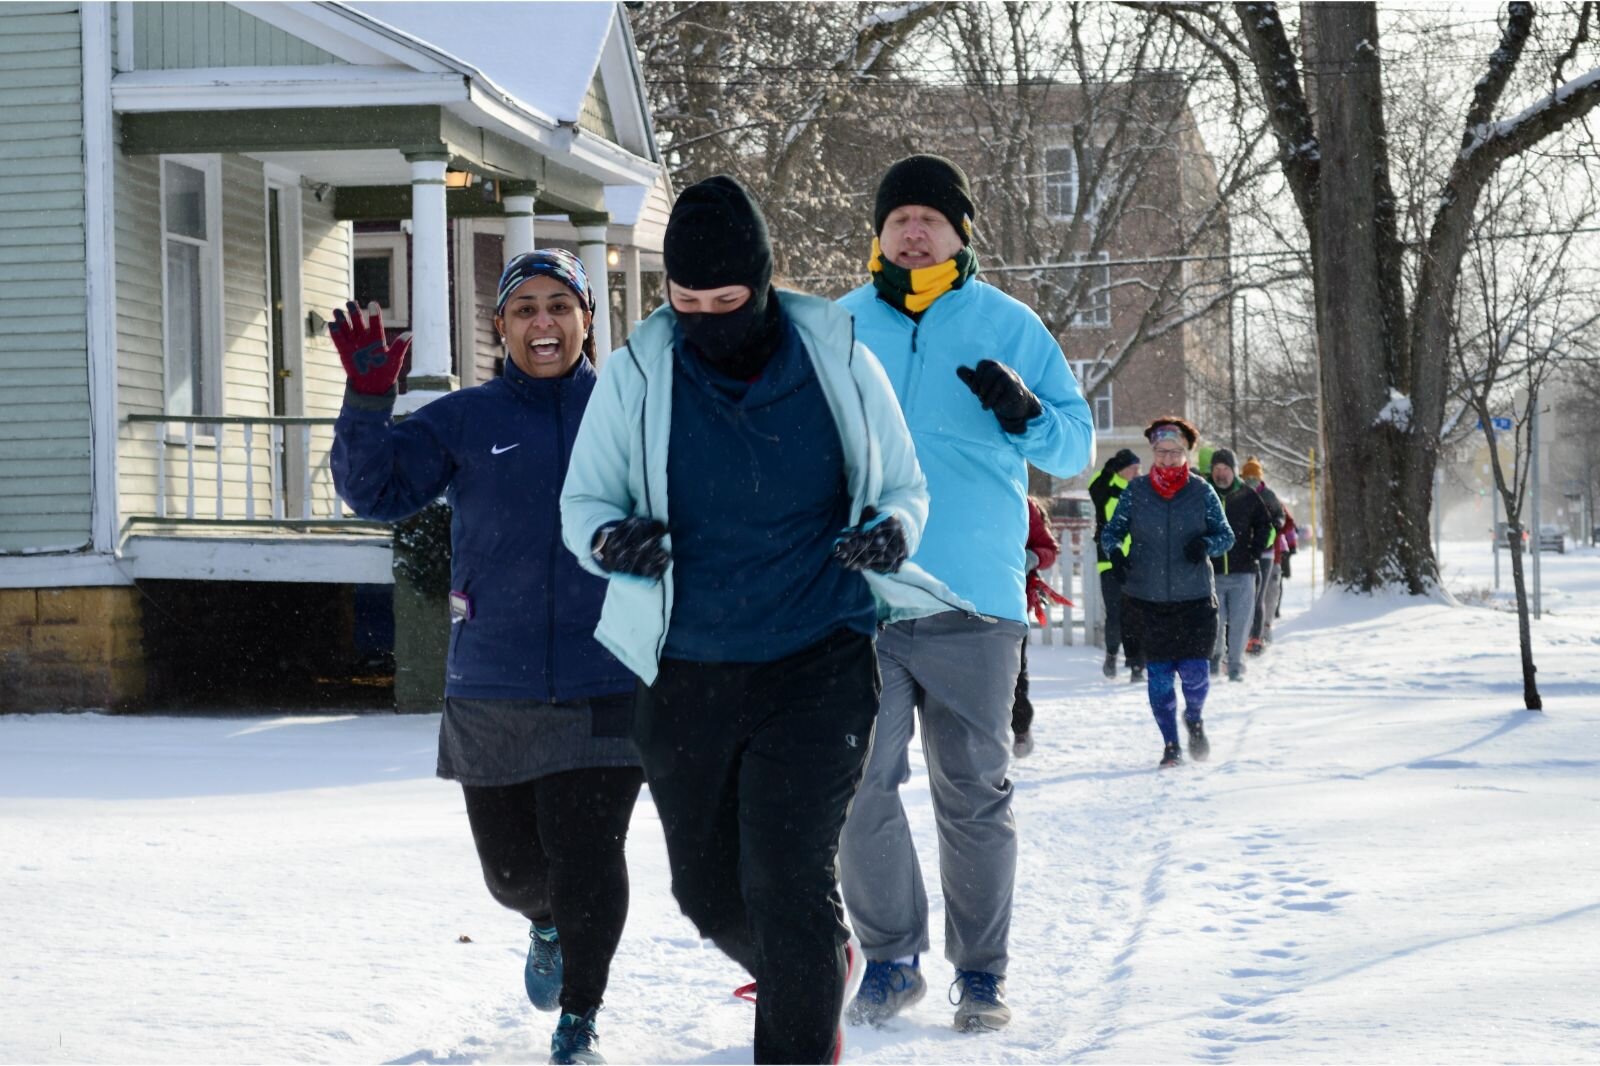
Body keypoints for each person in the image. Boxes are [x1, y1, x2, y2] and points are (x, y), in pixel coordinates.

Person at [559, 175, 963, 1065]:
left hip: (815, 660)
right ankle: (822, 957)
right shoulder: (637, 372)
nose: (705, 318)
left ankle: (804, 986)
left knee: (788, 883)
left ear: (766, 283)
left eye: (728, 300)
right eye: (686, 300)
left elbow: (903, 485)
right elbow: (584, 500)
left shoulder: (836, 358)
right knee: (707, 892)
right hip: (686, 666)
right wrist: (608, 539)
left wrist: (892, 534)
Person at [329, 250, 641, 1066]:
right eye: (526, 309)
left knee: (588, 857)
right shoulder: (465, 419)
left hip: (608, 675)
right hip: (493, 679)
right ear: (499, 326)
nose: (544, 323)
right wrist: (368, 403)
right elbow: (377, 493)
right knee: (512, 874)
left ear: (586, 319)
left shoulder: (633, 411)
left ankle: (580, 1018)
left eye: (559, 306)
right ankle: (544, 923)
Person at [835, 153, 1096, 1033]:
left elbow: (1073, 448)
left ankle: (981, 974)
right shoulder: (835, 326)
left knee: (972, 790)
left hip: (974, 598)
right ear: (879, 232)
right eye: (900, 217)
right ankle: (892, 956)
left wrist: (1025, 412)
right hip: (859, 596)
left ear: (959, 233)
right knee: (854, 785)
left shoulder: (1010, 325)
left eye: (931, 219)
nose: (914, 230)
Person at [1101, 417, 1234, 767]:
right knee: (1159, 681)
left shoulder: (1202, 491)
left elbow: (1226, 536)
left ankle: (1194, 717)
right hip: (1147, 599)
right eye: (1161, 452)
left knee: (1195, 675)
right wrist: (1115, 553)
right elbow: (1111, 533)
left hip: (1194, 599)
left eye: (1175, 453)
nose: (1167, 459)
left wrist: (1205, 544)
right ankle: (1170, 744)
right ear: (1152, 452)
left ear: (1186, 452)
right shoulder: (1136, 491)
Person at [1206, 448, 1272, 682]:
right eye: (1217, 469)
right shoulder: (1205, 494)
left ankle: (1235, 664)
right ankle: (1214, 659)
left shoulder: (1248, 496)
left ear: (1234, 471)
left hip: (1243, 572)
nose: (1221, 474)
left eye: (1225, 469)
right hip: (1211, 572)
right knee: (1214, 620)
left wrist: (1255, 550)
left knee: (1240, 622)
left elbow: (1266, 526)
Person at [1011, 496, 1061, 758]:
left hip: (1010, 603)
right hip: (959, 601)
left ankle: (1020, 727)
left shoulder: (1022, 503)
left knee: (1013, 670)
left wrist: (1030, 557)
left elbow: (1049, 549)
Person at [1089, 448, 1144, 681]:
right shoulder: (1106, 489)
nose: (1137, 472)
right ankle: (1112, 654)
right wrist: (1108, 469)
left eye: (1138, 468)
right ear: (1121, 470)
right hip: (1110, 561)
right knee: (1115, 613)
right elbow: (1094, 487)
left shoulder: (1141, 491)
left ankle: (1136, 664)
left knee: (1137, 613)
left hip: (1137, 560)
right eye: (1132, 468)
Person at [1240, 456, 1285, 654]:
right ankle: (1243, 636)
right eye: (1247, 478)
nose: (1251, 482)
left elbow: (1280, 517)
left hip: (1265, 553)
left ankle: (1256, 638)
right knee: (1245, 596)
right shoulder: (1239, 494)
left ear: (1260, 478)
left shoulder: (1268, 495)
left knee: (1258, 595)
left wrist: (1272, 528)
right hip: (1244, 550)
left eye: (1254, 478)